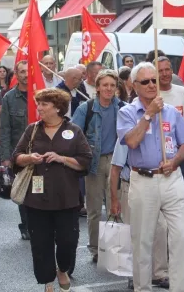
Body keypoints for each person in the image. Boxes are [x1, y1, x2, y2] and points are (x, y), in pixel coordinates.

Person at [117, 62, 184, 292]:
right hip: (143, 180)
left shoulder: (171, 111)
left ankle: (181, 289)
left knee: (180, 238)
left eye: (154, 80)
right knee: (142, 241)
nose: (152, 84)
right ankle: (143, 288)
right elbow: (131, 141)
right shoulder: (127, 112)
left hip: (172, 179)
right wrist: (149, 114)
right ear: (135, 86)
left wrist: (174, 161)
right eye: (146, 81)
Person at [13, 88, 92, 292]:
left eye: (44, 104)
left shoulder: (74, 131)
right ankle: (48, 281)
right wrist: (29, 158)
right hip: (37, 199)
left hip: (67, 198)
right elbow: (16, 157)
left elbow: (85, 161)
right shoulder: (32, 130)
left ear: (57, 108)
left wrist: (62, 158)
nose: (39, 108)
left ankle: (63, 268)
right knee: (40, 244)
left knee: (68, 241)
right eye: (38, 103)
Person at [72, 69, 123, 263]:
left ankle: (115, 245)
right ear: (98, 87)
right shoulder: (86, 108)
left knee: (115, 206)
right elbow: (74, 134)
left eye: (112, 85)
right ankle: (95, 248)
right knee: (93, 209)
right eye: (105, 85)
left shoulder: (122, 107)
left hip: (117, 161)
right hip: (94, 162)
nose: (109, 89)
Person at [110, 139, 170, 290]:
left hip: (156, 184)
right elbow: (115, 168)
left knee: (161, 228)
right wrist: (114, 199)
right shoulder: (128, 134)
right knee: (133, 232)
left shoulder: (159, 132)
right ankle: (133, 274)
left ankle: (159, 273)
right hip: (131, 185)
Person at [157, 56, 184, 205]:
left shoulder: (183, 92)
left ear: (172, 71)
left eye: (167, 69)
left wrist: (178, 132)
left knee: (183, 196)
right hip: (158, 154)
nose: (164, 74)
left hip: (181, 152)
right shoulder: (151, 94)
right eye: (160, 71)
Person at [0, 60, 31, 240]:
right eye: (22, 72)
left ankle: (37, 224)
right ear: (16, 75)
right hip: (19, 154)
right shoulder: (9, 98)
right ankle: (25, 225)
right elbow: (5, 129)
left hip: (41, 152)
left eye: (28, 71)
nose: (26, 74)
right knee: (23, 190)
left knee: (39, 189)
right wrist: (6, 157)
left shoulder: (40, 94)